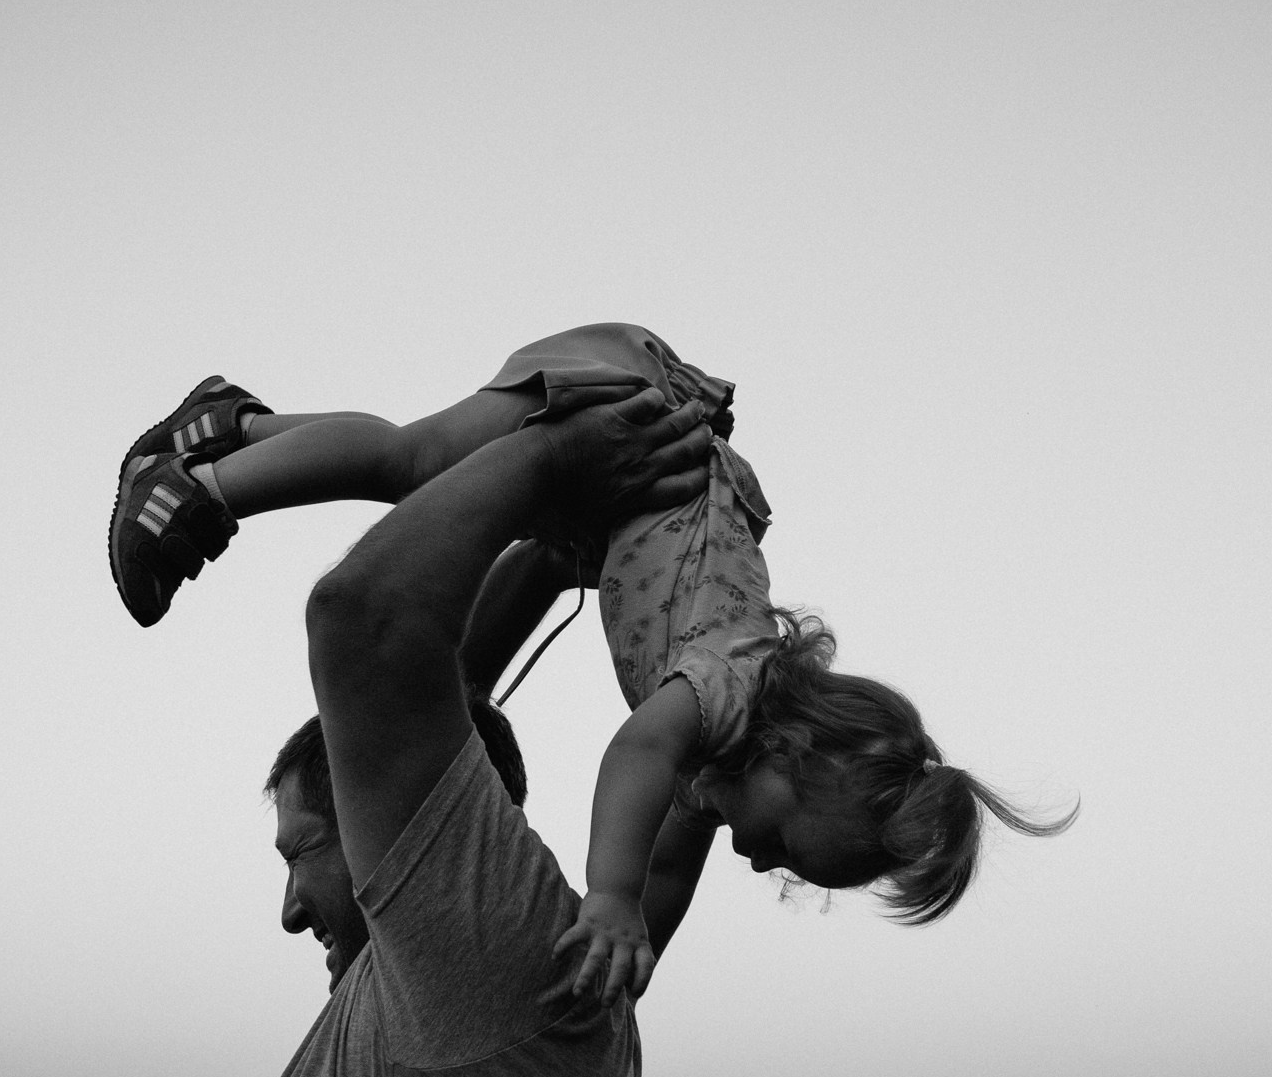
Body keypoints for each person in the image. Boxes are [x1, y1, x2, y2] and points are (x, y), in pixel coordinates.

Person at [108, 325, 1073, 1006]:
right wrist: (603, 901)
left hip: (608, 506)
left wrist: (619, 961)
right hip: (634, 404)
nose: (761, 859)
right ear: (807, 753)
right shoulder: (735, 681)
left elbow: (661, 877)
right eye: (781, 841)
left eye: (781, 871)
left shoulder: (720, 775)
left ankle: (229, 426)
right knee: (419, 462)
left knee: (442, 493)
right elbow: (633, 757)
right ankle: (206, 483)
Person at [144, 386, 712, 1077]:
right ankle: (238, 432)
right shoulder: (450, 987)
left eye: (301, 849)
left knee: (412, 464)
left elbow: (364, 622)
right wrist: (544, 559)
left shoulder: (495, 964)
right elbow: (447, 692)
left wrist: (559, 463)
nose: (287, 906)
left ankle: (234, 443)